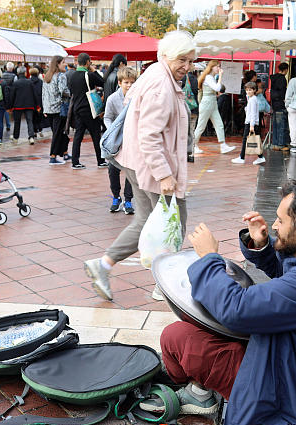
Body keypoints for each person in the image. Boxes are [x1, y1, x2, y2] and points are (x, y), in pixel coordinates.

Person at [139, 180, 296, 425]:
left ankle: (198, 393)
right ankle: (197, 384)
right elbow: (291, 271)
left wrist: (209, 257)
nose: (275, 225)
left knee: (177, 337)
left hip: (289, 396)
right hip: (293, 366)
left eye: (280, 221)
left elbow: (236, 309)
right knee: (199, 326)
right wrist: (263, 244)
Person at [84, 31, 196, 302]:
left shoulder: (156, 74)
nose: (188, 67)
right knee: (174, 224)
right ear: (167, 56)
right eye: (183, 60)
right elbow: (149, 134)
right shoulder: (161, 84)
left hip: (137, 163)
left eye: (191, 61)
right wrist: (165, 174)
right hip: (153, 166)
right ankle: (164, 283)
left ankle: (104, 265)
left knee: (147, 221)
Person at [103, 66, 136, 215]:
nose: (129, 86)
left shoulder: (137, 98)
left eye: (132, 82)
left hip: (132, 139)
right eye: (126, 83)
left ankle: (128, 199)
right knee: (113, 169)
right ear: (120, 82)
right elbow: (107, 117)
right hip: (116, 140)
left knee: (131, 170)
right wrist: (112, 130)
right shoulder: (112, 99)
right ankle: (116, 197)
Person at [67, 52, 106, 170]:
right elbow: (102, 82)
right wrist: (94, 71)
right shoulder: (89, 75)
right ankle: (100, 160)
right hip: (89, 108)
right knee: (95, 134)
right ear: (88, 62)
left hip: (77, 108)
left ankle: (75, 161)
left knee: (78, 135)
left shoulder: (72, 75)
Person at [192, 60, 234, 155]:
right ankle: (193, 145)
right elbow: (217, 88)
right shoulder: (208, 77)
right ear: (212, 67)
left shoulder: (210, 77)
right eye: (217, 66)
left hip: (212, 102)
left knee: (219, 124)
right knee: (201, 126)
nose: (219, 68)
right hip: (207, 103)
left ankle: (223, 145)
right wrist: (221, 76)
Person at [42, 55, 71, 165]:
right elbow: (63, 91)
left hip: (49, 109)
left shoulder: (47, 76)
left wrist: (45, 108)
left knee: (58, 132)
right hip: (59, 108)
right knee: (58, 133)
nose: (65, 64)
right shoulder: (61, 76)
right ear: (58, 64)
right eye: (63, 62)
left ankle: (65, 152)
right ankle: (53, 156)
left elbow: (43, 94)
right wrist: (71, 94)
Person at [232, 82, 265, 166]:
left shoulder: (253, 100)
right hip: (252, 123)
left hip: (251, 123)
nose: (248, 92)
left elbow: (253, 113)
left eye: (250, 90)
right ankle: (260, 157)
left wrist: (251, 125)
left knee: (245, 140)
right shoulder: (252, 99)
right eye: (247, 90)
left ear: (254, 90)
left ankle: (242, 157)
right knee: (256, 140)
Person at [8, 66, 42, 143]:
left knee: (17, 122)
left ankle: (16, 138)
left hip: (18, 106)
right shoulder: (30, 82)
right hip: (29, 105)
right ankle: (31, 137)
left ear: (17, 73)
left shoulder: (15, 83)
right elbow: (35, 94)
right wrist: (37, 105)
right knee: (29, 121)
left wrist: (10, 107)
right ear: (25, 73)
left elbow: (12, 96)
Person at [269, 62, 290, 150]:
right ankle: (281, 144)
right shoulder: (282, 79)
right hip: (281, 104)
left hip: (274, 104)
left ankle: (275, 143)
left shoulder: (273, 78)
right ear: (285, 70)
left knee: (276, 125)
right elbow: (282, 92)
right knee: (281, 125)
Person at [183, 64, 199, 163]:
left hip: (183, 109)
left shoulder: (182, 78)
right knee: (191, 131)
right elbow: (196, 92)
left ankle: (183, 153)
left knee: (183, 132)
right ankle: (191, 153)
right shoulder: (194, 79)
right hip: (194, 108)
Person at [1, 61, 16, 133]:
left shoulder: (2, 75)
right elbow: (15, 86)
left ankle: (8, 124)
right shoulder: (14, 76)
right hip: (11, 94)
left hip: (3, 93)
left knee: (5, 109)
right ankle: (11, 124)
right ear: (12, 68)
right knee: (11, 109)